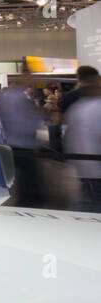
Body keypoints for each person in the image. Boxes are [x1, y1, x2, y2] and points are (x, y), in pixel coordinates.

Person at [0, 84, 44, 206]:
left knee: (19, 176)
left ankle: (25, 202)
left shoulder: (5, 99)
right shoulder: (19, 99)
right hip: (22, 144)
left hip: (11, 143)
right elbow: (25, 123)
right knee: (27, 178)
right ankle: (29, 203)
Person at [64, 78, 101, 211]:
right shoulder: (97, 107)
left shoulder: (77, 107)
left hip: (83, 164)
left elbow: (69, 134)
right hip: (95, 164)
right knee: (95, 201)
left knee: (87, 199)